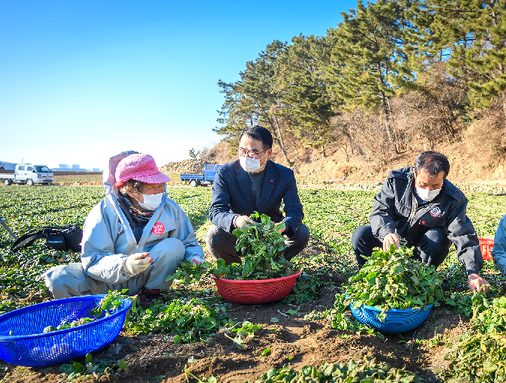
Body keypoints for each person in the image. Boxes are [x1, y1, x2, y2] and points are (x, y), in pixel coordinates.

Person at [43, 152, 204, 303]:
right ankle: (94, 308)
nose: (160, 191)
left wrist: (195, 259)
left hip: (147, 277)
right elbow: (93, 259)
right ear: (131, 189)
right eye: (152, 187)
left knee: (173, 246)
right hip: (107, 280)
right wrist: (125, 265)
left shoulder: (171, 209)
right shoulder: (104, 211)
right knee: (59, 278)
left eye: (161, 185)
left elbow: (188, 243)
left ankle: (150, 295)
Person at [351, 151, 490, 293]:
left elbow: (463, 235)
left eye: (435, 186)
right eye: (423, 185)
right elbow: (381, 210)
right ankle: (372, 280)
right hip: (394, 243)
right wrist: (386, 233)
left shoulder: (453, 199)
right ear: (415, 173)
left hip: (423, 251)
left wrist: (473, 272)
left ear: (444, 179)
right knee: (361, 235)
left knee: (437, 238)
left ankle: (417, 281)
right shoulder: (397, 181)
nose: (428, 191)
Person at [206, 125, 309, 264]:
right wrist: (236, 220)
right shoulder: (225, 172)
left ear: (268, 153)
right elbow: (216, 211)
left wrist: (282, 226)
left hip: (271, 233)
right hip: (239, 234)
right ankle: (236, 268)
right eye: (242, 151)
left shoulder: (284, 174)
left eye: (254, 153)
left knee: (301, 232)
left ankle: (274, 263)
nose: (247, 157)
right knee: (214, 236)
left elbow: (295, 211)